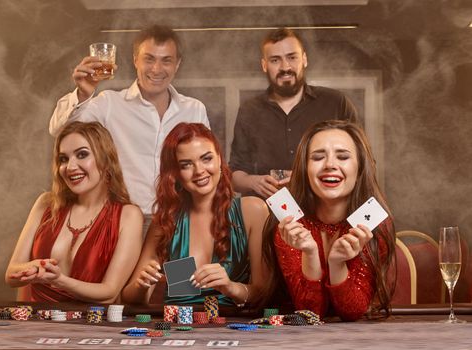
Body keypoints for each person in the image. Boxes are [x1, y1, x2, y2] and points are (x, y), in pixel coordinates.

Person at [49, 25, 209, 233]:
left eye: (166, 60)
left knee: (184, 267)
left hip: (179, 223)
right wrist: (83, 93)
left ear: (177, 64)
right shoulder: (109, 103)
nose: (156, 69)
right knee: (129, 268)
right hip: (123, 223)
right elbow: (60, 131)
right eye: (149, 59)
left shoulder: (194, 109)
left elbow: (207, 165)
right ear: (135, 60)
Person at [121, 123, 269, 306]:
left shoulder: (252, 210)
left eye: (206, 159)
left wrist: (231, 287)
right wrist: (141, 285)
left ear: (220, 161)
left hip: (232, 329)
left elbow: (265, 294)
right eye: (186, 164)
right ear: (175, 174)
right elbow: (130, 298)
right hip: (176, 329)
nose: (199, 171)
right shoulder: (166, 220)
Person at [262, 120, 395, 321]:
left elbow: (353, 311)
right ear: (305, 169)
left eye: (342, 156)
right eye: (317, 157)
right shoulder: (289, 222)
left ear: (360, 169)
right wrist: (310, 253)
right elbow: (310, 314)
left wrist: (337, 263)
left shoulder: (375, 224)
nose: (330, 165)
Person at [5, 122, 143, 303]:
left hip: (89, 328)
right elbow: (11, 275)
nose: (70, 167)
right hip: (36, 325)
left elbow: (109, 293)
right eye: (63, 159)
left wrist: (59, 280)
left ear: (105, 158)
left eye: (82, 155)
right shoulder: (46, 204)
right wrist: (34, 267)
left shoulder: (129, 215)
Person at [230, 27, 358, 199]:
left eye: (292, 57)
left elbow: (362, 161)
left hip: (325, 211)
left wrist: (306, 178)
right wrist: (253, 181)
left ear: (304, 59)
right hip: (267, 216)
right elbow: (234, 174)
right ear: (264, 65)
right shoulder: (249, 110)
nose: (285, 67)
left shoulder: (336, 102)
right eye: (275, 60)